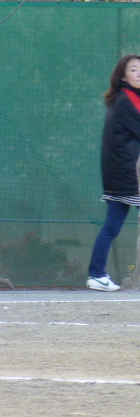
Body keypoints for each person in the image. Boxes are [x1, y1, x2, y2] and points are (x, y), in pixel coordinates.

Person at [87, 54, 140, 292]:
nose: (139, 73)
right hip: (129, 176)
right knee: (112, 226)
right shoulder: (127, 99)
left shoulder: (127, 98)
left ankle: (96, 274)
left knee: (112, 225)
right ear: (123, 76)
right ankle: (97, 274)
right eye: (133, 69)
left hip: (119, 176)